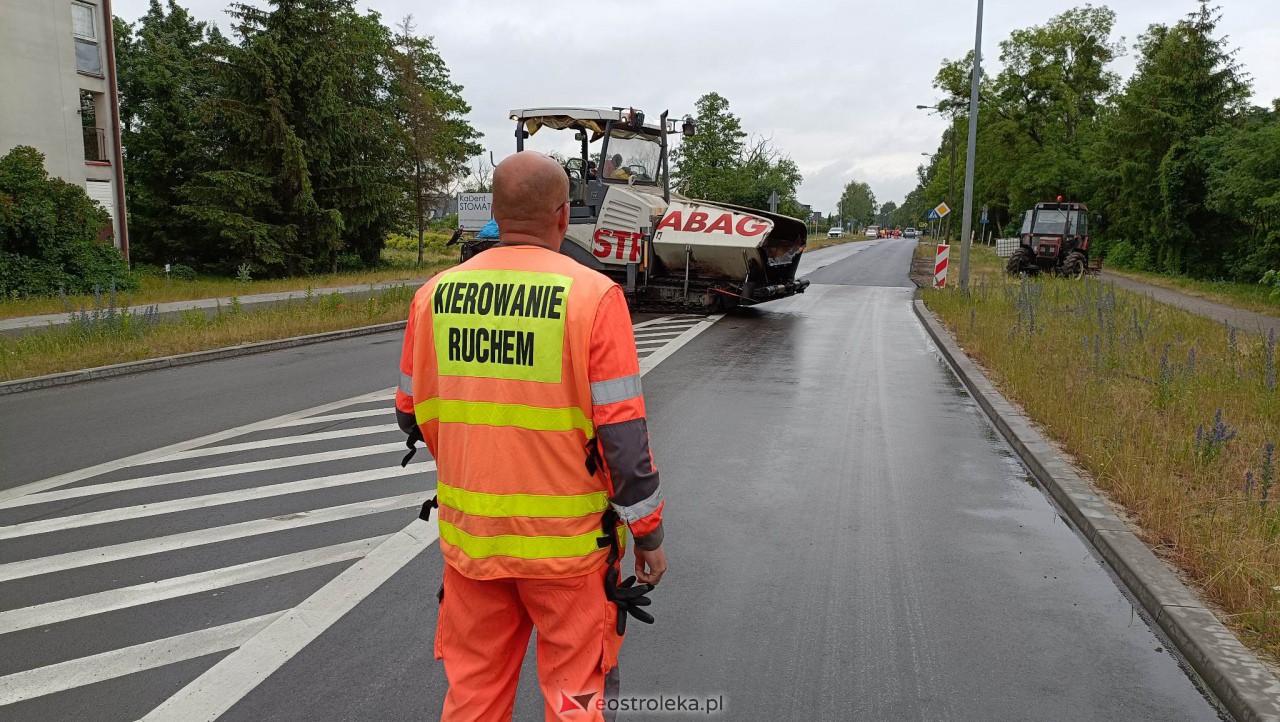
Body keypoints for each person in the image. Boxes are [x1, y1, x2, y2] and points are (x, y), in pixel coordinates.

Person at [395, 151, 667, 722]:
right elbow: (622, 440)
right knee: (574, 700)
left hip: (474, 544)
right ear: (563, 215)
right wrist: (648, 534)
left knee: (474, 695)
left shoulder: (434, 296)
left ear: (495, 212)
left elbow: (409, 415)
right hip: (568, 553)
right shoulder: (594, 297)